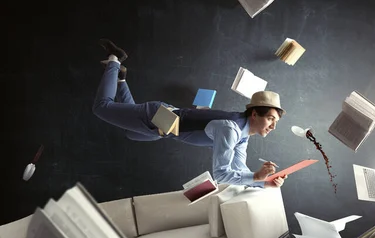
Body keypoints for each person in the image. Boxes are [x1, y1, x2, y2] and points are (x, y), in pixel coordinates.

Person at [94, 39, 287, 189]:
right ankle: (114, 59)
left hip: (162, 130)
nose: (273, 126)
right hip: (156, 118)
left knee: (130, 133)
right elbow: (221, 174)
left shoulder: (243, 137)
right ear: (254, 114)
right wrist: (255, 177)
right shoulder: (231, 130)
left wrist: (265, 182)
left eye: (276, 122)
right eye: (270, 119)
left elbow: (239, 170)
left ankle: (120, 80)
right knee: (102, 108)